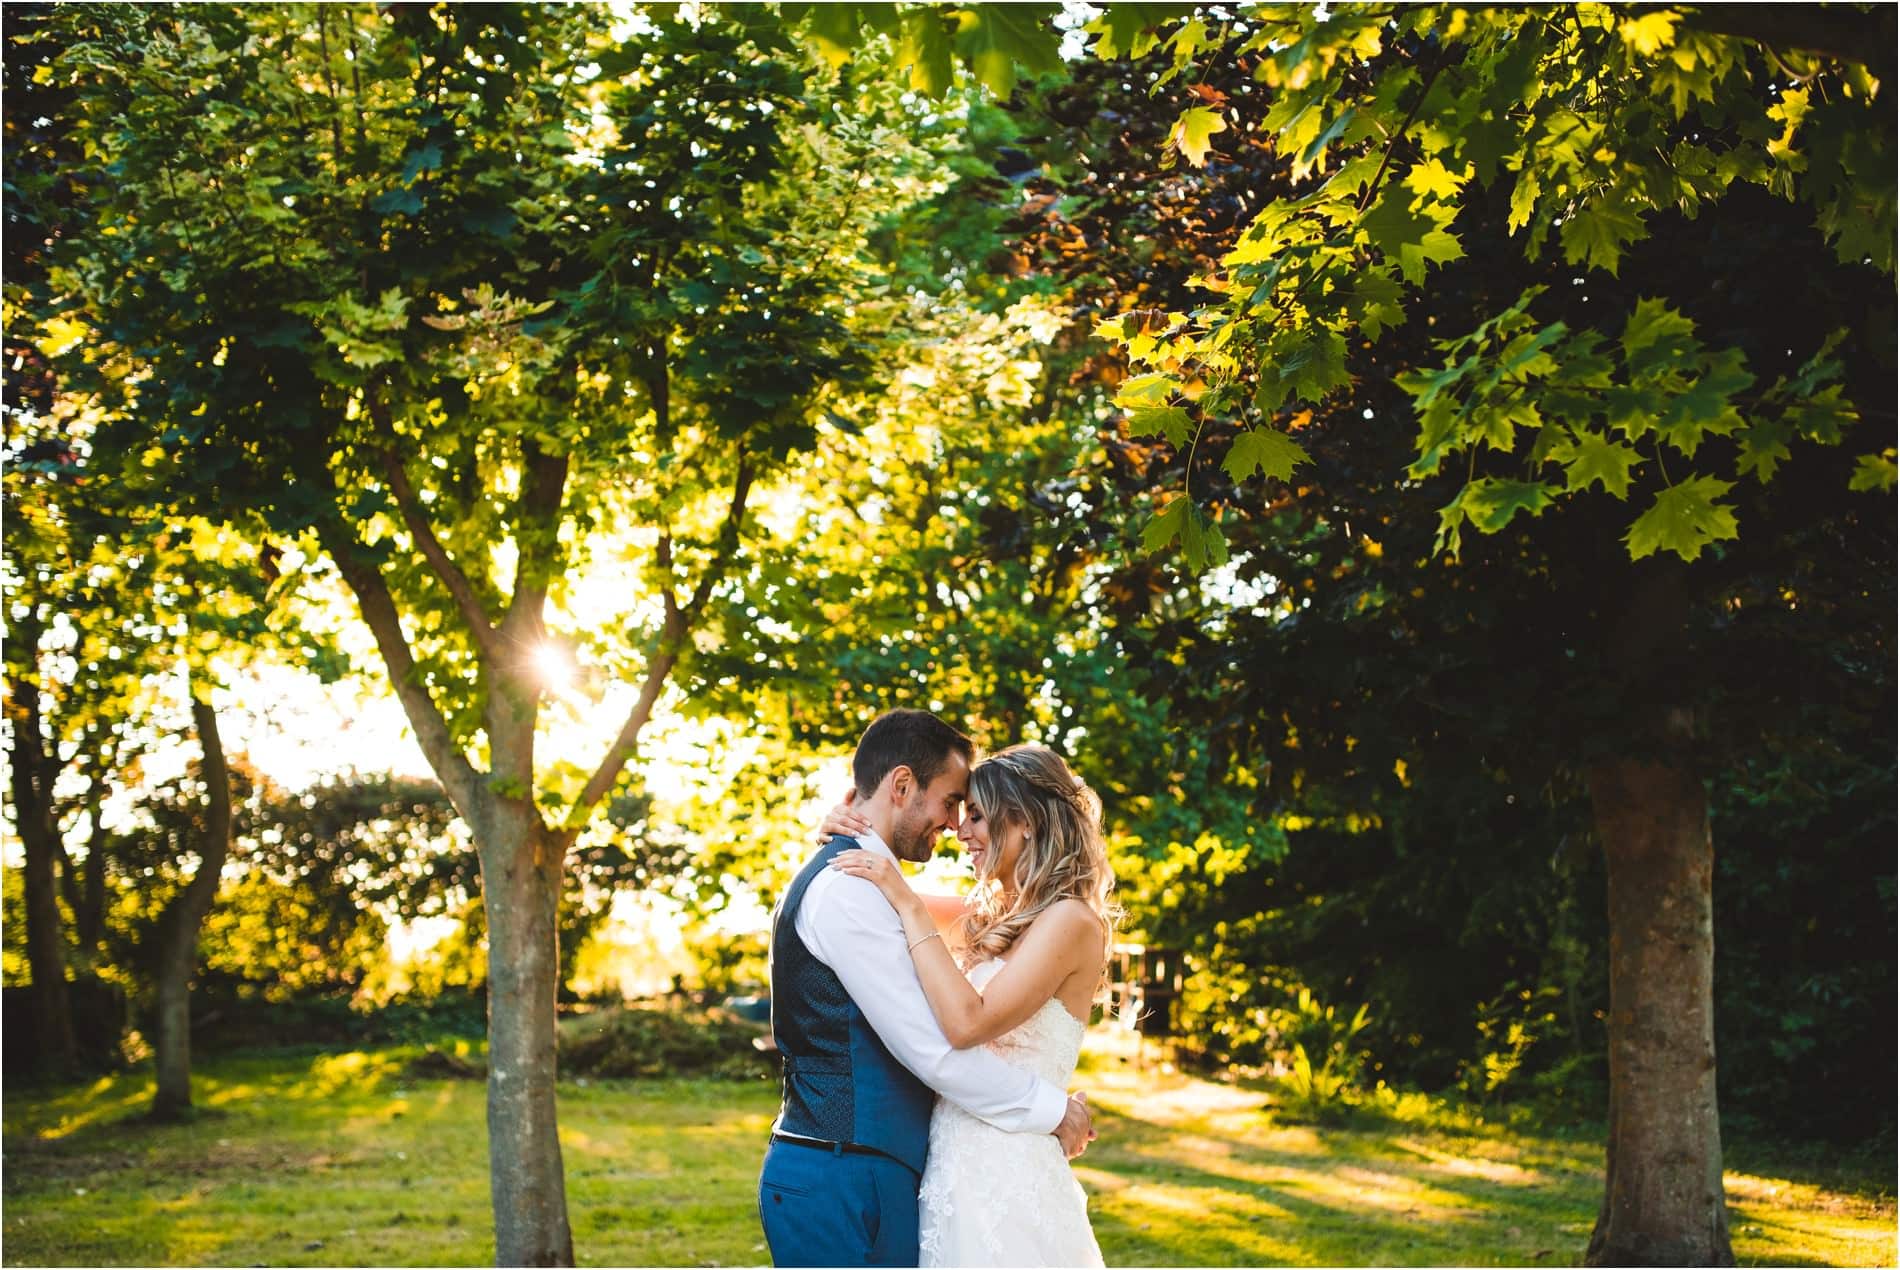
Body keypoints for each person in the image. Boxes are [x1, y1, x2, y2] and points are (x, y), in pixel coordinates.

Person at [758, 710, 1096, 1269]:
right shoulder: (855, 890)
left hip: (960, 1172)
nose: (956, 825)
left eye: (975, 814)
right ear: (901, 785)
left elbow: (951, 1005)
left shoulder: (1029, 919)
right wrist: (1051, 1109)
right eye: (952, 804)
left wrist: (875, 854)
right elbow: (937, 1048)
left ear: (1027, 821)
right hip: (853, 1172)